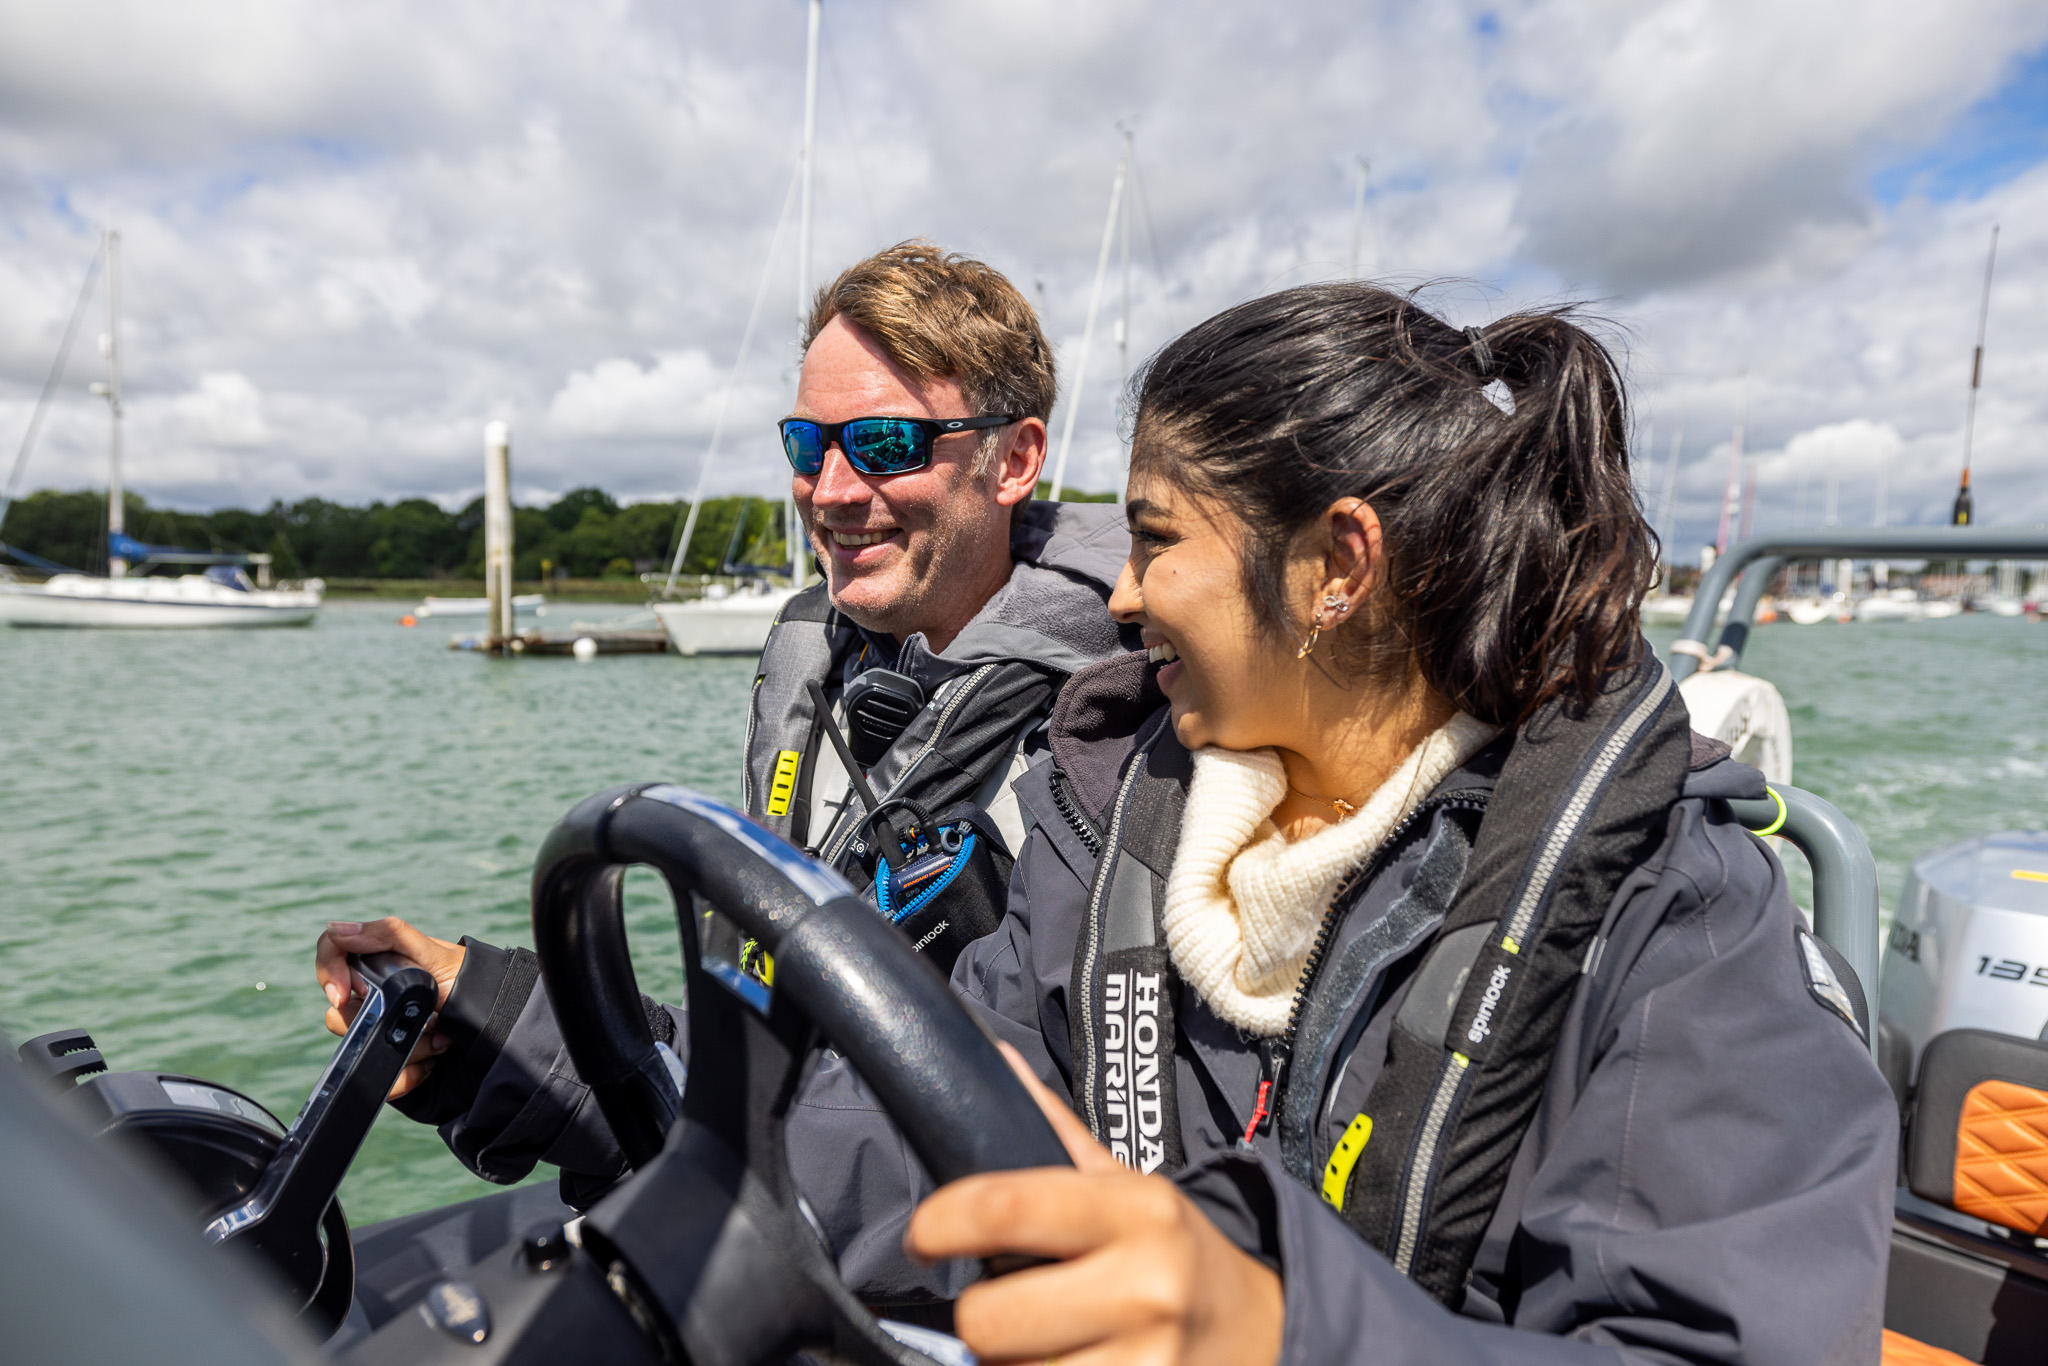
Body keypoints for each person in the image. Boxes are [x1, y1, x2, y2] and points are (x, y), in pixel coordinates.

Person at [337, 282, 1899, 1366]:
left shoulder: (1678, 929)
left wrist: (1271, 1327)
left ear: (1338, 564)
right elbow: (878, 1148)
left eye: (1157, 538)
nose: (1123, 591)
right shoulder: (1110, 826)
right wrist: (515, 1033)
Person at [314, 240, 1130, 1127]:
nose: (833, 490)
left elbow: (972, 1129)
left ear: (1014, 461)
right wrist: (477, 1020)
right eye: (807, 444)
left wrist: (541, 1048)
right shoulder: (815, 671)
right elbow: (753, 1050)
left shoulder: (1116, 724)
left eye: (886, 443)